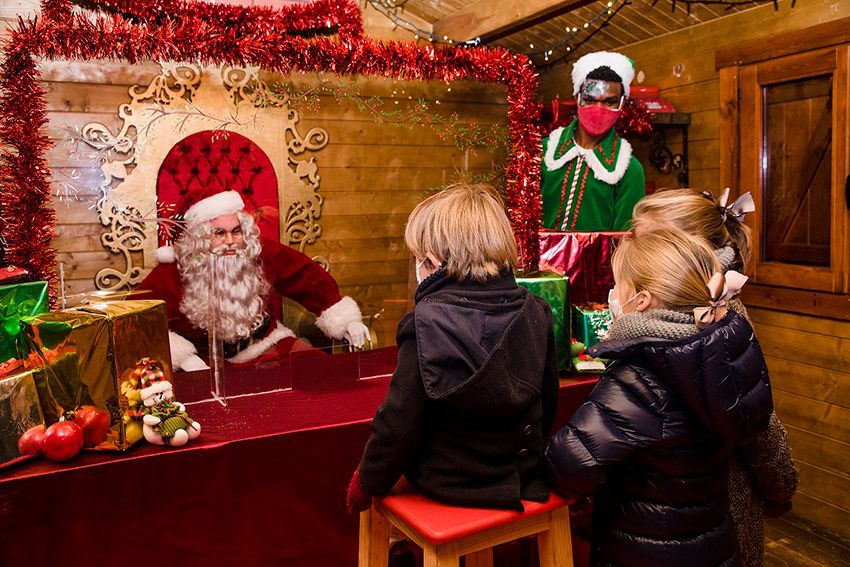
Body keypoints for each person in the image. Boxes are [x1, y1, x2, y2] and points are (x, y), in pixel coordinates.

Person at [544, 229, 774, 567]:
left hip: (644, 552)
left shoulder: (639, 377)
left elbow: (570, 463)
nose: (611, 293)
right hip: (713, 546)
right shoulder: (722, 355)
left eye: (618, 284)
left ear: (642, 301)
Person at [346, 183, 560, 513]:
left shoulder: (424, 322)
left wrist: (367, 481)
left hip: (447, 484)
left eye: (417, 259)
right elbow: (548, 399)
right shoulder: (537, 310)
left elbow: (399, 424)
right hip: (521, 479)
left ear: (431, 262)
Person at [632, 187, 798, 567]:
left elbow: (758, 424)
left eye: (652, 244)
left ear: (690, 250)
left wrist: (779, 488)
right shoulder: (656, 303)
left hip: (724, 508)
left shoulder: (720, 314)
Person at [137, 191, 370, 371]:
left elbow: (307, 277)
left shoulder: (259, 253)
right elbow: (134, 320)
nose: (230, 241)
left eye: (236, 231)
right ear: (199, 238)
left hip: (267, 347)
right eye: (219, 233)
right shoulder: (173, 271)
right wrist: (181, 357)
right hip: (207, 364)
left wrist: (346, 321)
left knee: (321, 372)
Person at [541, 50, 645, 231]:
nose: (598, 109)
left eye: (609, 102)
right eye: (589, 100)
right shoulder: (543, 151)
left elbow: (626, 240)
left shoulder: (629, 170)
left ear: (622, 102)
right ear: (577, 98)